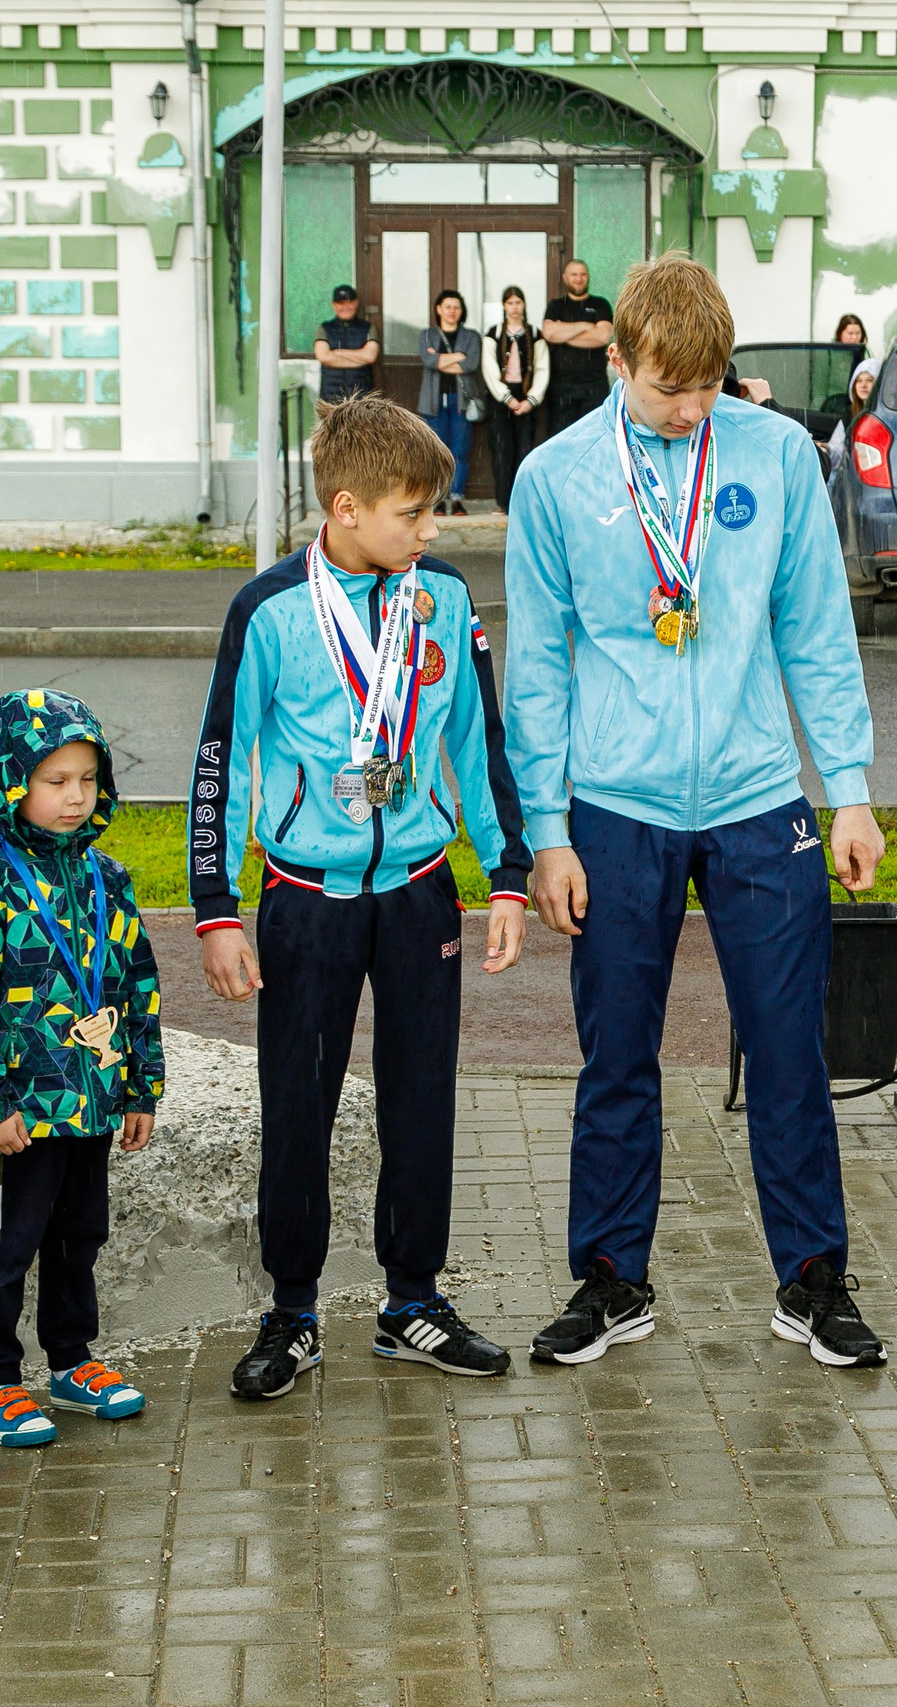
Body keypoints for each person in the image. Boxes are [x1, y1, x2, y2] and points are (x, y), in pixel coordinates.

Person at [505, 253, 890, 1371]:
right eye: (667, 389)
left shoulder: (773, 458)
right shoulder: (556, 477)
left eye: (706, 387)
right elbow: (538, 665)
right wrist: (547, 829)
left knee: (788, 1050)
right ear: (615, 361)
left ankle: (812, 1280)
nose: (688, 408)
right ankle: (612, 1279)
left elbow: (816, 630)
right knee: (615, 1052)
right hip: (614, 804)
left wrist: (849, 790)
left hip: (760, 795)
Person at [189, 392, 534, 1400]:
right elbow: (224, 758)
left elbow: (478, 743)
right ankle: (291, 1310)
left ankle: (410, 1302)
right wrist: (214, 905)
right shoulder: (268, 611)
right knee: (297, 1105)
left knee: (421, 1103)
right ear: (345, 507)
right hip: (307, 897)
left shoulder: (443, 600)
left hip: (420, 893)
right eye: (411, 514)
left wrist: (504, 874)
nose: (431, 531)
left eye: (434, 514)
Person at [0, 690, 163, 1447]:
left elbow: (137, 989)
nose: (74, 797)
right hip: (19, 1118)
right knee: (6, 1246)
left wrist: (139, 1085)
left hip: (92, 1102)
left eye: (87, 780)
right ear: (9, 782)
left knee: (79, 1237)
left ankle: (71, 1358)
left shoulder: (108, 879)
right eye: (53, 780)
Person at [482, 285, 549, 513]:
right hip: (501, 399)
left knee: (525, 450)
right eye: (510, 303)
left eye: (518, 302)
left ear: (524, 305)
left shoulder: (534, 333)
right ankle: (503, 502)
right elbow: (489, 370)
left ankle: (522, 502)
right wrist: (506, 398)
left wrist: (531, 399)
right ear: (504, 306)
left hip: (526, 398)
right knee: (502, 449)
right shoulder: (493, 334)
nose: (514, 307)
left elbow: (542, 368)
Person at [417, 288, 482, 514]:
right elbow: (428, 360)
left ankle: (456, 498)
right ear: (439, 309)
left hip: (460, 401)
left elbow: (471, 364)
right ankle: (436, 498)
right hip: (433, 402)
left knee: (459, 450)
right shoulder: (427, 335)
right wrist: (457, 359)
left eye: (456, 307)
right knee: (435, 451)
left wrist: (440, 359)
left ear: (461, 311)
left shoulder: (471, 336)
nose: (452, 311)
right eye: (448, 307)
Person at [540, 257, 614, 434]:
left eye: (582, 274)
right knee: (561, 438)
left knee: (594, 436)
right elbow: (549, 333)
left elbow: (603, 336)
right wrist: (585, 326)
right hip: (561, 387)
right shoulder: (556, 305)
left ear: (588, 277)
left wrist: (563, 334)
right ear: (565, 277)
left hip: (594, 386)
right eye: (574, 274)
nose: (578, 278)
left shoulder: (600, 304)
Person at [315, 283, 380, 403]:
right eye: (340, 303)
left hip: (361, 397)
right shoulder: (324, 328)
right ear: (333, 305)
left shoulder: (368, 328)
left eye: (349, 302)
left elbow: (370, 356)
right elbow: (323, 356)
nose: (345, 306)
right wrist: (359, 357)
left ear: (356, 303)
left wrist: (336, 353)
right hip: (330, 397)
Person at [826, 357, 880, 469]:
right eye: (859, 380)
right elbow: (837, 451)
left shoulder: (886, 416)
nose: (863, 385)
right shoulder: (849, 415)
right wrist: (827, 449)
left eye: (869, 380)